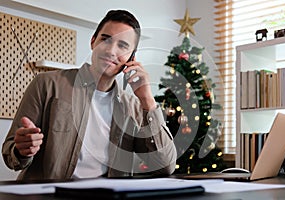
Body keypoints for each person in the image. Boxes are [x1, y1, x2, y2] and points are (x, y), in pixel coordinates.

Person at [2, 9, 177, 180]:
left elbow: (164, 166)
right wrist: (21, 150)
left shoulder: (134, 106)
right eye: (105, 39)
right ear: (93, 41)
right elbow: (11, 156)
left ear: (132, 58)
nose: (111, 50)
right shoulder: (46, 84)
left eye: (122, 46)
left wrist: (147, 100)